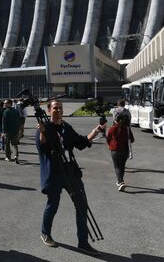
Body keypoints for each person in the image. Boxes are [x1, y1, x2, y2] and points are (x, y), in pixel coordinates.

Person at [36, 100, 104, 255]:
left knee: (81, 206)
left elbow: (81, 142)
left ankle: (83, 242)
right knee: (53, 205)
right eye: (55, 108)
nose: (58, 110)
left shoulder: (66, 127)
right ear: (49, 111)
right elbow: (42, 147)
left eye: (60, 108)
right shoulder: (44, 127)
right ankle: (45, 233)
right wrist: (41, 132)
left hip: (70, 171)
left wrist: (96, 131)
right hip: (54, 174)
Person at [106, 113, 134, 191]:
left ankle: (121, 182)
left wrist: (111, 145)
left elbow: (108, 139)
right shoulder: (127, 129)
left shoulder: (112, 128)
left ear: (116, 120)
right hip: (125, 150)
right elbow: (132, 140)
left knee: (116, 167)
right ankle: (119, 181)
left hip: (115, 150)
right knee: (122, 167)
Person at [3, 99, 21, 163]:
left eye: (6, 103)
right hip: (15, 131)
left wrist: (3, 132)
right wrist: (19, 130)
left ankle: (8, 157)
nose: (4, 104)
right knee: (15, 145)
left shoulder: (6, 112)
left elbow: (4, 123)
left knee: (7, 144)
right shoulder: (16, 111)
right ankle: (16, 156)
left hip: (8, 131)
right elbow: (19, 121)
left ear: (10, 104)